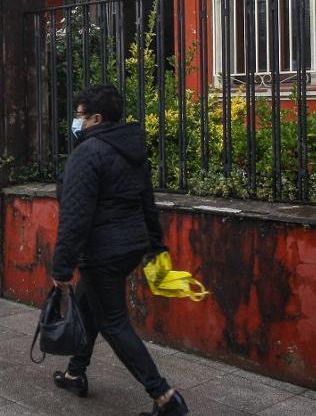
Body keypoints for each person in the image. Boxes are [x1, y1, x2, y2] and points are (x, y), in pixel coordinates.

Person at [49, 83, 189, 416]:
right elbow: (147, 204)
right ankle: (74, 373)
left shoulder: (88, 152)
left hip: (102, 253)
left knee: (113, 322)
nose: (76, 121)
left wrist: (61, 267)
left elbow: (76, 216)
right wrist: (155, 246)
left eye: (81, 116)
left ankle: (165, 397)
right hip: (130, 247)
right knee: (88, 304)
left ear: (96, 118)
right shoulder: (131, 149)